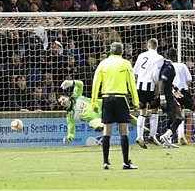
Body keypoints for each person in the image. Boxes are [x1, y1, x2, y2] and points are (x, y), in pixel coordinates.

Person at [91, 42, 139, 170]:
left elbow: (95, 83)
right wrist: (135, 102)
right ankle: (125, 162)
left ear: (110, 52)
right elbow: (132, 84)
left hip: (106, 98)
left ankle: (105, 162)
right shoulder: (125, 63)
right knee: (124, 130)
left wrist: (94, 102)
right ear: (122, 51)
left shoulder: (103, 63)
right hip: (121, 98)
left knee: (107, 130)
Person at [59, 79, 144, 144]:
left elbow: (80, 84)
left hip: (104, 106)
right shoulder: (70, 115)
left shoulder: (76, 96)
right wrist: (69, 138)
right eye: (60, 102)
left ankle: (145, 129)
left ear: (67, 97)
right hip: (99, 118)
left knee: (126, 116)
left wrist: (71, 82)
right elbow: (71, 129)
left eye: (63, 99)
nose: (62, 102)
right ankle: (101, 126)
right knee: (92, 123)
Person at [167, 48, 195, 145]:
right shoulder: (182, 65)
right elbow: (189, 80)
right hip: (183, 92)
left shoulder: (167, 66)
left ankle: (181, 136)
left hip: (172, 93)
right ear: (176, 56)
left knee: (179, 113)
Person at [133, 38, 164, 148]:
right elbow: (156, 74)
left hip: (140, 86)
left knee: (142, 111)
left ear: (147, 45)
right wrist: (157, 86)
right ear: (157, 46)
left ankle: (139, 137)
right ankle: (152, 135)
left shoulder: (141, 55)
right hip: (151, 87)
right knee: (154, 110)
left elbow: (135, 72)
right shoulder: (159, 57)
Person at [155, 57, 183, 148]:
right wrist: (162, 98)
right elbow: (161, 82)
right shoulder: (169, 66)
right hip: (166, 96)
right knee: (179, 117)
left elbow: (166, 82)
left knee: (173, 118)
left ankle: (167, 141)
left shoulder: (162, 65)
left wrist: (174, 88)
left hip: (166, 94)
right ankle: (166, 136)